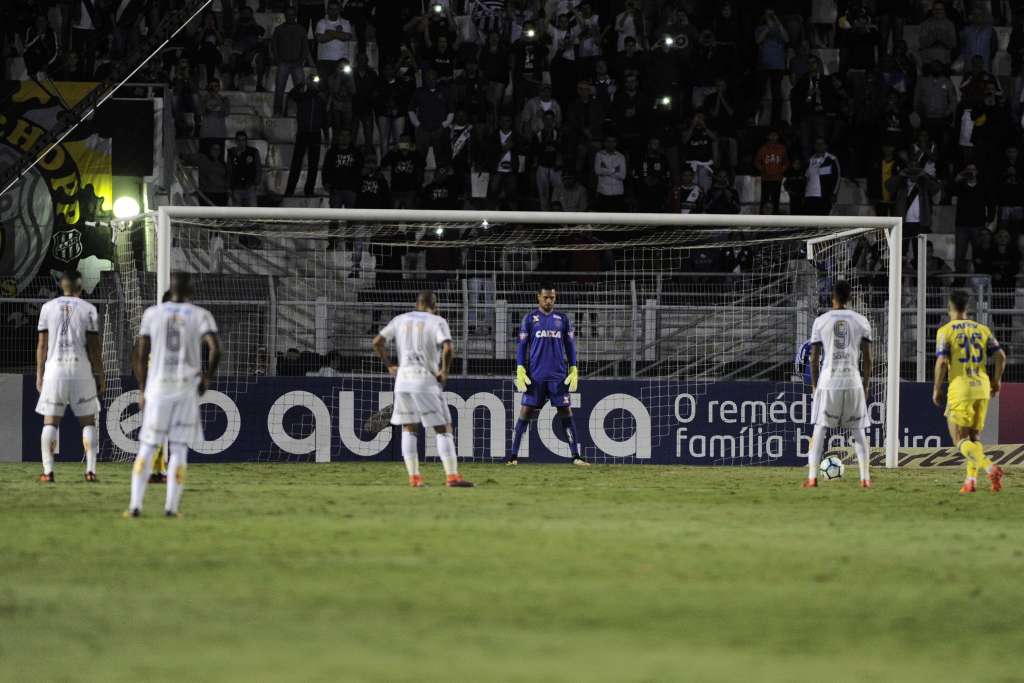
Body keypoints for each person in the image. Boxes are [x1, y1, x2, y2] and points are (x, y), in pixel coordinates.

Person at [127, 273, 221, 517]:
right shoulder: (201, 315)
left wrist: (142, 387)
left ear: (171, 288)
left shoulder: (152, 314)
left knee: (148, 446)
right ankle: (171, 508)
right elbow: (216, 349)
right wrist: (207, 378)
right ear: (190, 290)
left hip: (158, 388)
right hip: (185, 389)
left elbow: (140, 354)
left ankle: (135, 506)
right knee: (178, 449)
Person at [371, 290, 473, 488]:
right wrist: (444, 371)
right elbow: (448, 347)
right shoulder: (437, 321)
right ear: (434, 304)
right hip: (425, 380)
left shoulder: (400, 319)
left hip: (402, 382)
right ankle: (452, 477)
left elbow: (377, 342)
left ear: (417, 304)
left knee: (409, 428)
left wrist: (390, 365)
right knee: (443, 428)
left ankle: (414, 478)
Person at [933, 290, 1006, 493]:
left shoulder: (946, 331)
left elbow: (942, 361)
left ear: (949, 307)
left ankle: (990, 468)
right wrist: (996, 380)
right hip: (982, 386)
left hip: (961, 387)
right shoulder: (982, 329)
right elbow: (1001, 356)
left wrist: (936, 388)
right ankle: (970, 481)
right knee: (974, 438)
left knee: (959, 439)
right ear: (968, 308)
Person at [506, 283, 587, 467]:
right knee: (525, 411)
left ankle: (576, 456)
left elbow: (570, 345)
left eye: (552, 297)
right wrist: (520, 367)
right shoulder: (529, 319)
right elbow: (522, 346)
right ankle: (513, 456)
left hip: (558, 376)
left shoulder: (563, 319)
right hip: (536, 376)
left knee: (566, 412)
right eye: (546, 297)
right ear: (539, 297)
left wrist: (573, 367)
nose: (549, 300)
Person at [35, 270, 104, 483]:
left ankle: (48, 472)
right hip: (80, 369)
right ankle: (90, 470)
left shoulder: (47, 308)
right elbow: (94, 348)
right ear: (81, 287)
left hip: (54, 370)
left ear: (61, 285)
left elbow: (42, 345)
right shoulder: (89, 309)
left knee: (50, 422)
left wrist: (39, 374)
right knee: (88, 422)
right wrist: (101, 374)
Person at [803, 280, 873, 488]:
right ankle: (865, 478)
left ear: (832, 297)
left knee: (820, 430)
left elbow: (814, 358)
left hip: (828, 381)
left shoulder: (821, 321)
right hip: (853, 381)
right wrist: (866, 385)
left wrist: (814, 385)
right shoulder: (861, 321)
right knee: (858, 432)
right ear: (849, 298)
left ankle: (812, 478)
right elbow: (868, 359)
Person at [285, 76, 329, 197]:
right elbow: (291, 94)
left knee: (313, 164)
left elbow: (324, 118)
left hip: (315, 133)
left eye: (315, 82)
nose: (314, 84)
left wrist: (326, 135)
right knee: (296, 163)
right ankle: (289, 190)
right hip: (302, 133)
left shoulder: (321, 98)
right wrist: (302, 83)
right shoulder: (302, 96)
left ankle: (309, 190)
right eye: (312, 81)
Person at [271, 6, 313, 116]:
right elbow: (274, 46)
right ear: (285, 16)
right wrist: (278, 60)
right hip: (283, 63)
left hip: (297, 63)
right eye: (288, 14)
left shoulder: (301, 29)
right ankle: (277, 111)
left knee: (300, 90)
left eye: (292, 14)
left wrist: (301, 60)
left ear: (295, 16)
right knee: (279, 89)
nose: (290, 17)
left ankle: (301, 112)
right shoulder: (278, 29)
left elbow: (305, 47)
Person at [315, 0, 354, 82]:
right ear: (327, 10)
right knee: (324, 86)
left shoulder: (345, 23)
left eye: (336, 9)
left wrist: (329, 32)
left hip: (342, 61)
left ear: (339, 10)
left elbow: (347, 37)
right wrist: (338, 33)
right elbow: (321, 39)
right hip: (324, 60)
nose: (333, 12)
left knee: (342, 86)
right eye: (331, 9)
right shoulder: (321, 23)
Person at [803, 137, 841, 215]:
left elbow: (837, 177)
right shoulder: (810, 160)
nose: (819, 145)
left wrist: (834, 193)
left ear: (826, 146)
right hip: (809, 196)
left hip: (824, 196)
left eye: (821, 143)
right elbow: (806, 178)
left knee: (823, 219)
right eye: (817, 143)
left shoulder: (831, 159)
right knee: (810, 219)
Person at [754, 130, 789, 211]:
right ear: (768, 137)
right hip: (766, 178)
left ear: (778, 137)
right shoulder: (763, 148)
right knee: (764, 199)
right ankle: (762, 217)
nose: (773, 137)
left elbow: (786, 162)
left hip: (777, 178)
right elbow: (756, 161)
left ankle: (775, 216)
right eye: (771, 135)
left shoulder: (782, 148)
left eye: (775, 135)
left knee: (775, 200)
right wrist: (763, 169)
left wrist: (780, 170)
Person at [227, 131, 262, 207]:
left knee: (252, 211)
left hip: (250, 187)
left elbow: (258, 168)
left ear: (246, 141)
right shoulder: (232, 153)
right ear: (236, 141)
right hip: (237, 187)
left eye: (243, 140)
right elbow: (230, 170)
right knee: (237, 212)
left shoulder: (253, 152)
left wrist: (257, 183)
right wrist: (229, 187)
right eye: (239, 140)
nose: (241, 143)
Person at [593, 135, 626, 212]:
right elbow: (597, 171)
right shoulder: (599, 154)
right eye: (608, 141)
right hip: (603, 192)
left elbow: (622, 176)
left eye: (613, 141)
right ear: (604, 143)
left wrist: (605, 169)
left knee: (617, 217)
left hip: (617, 192)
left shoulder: (621, 156)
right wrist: (614, 170)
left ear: (616, 143)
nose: (610, 143)